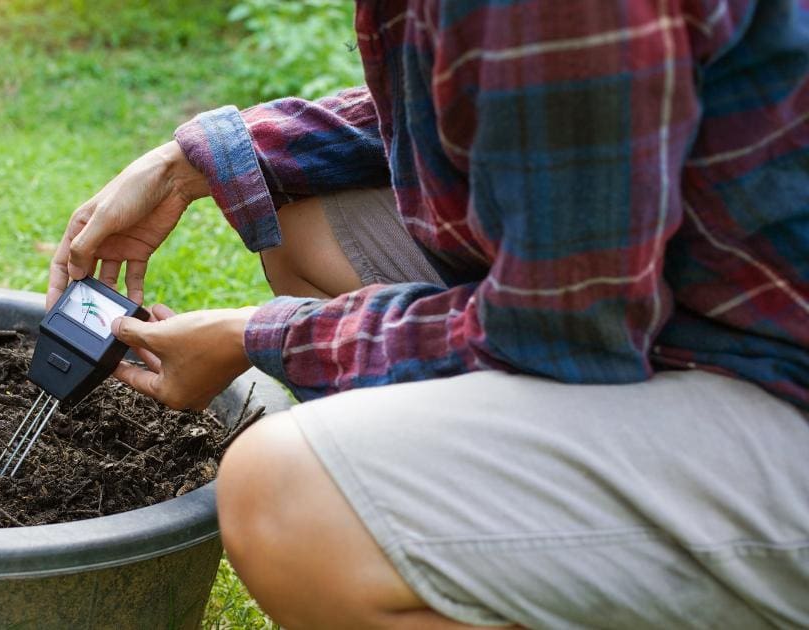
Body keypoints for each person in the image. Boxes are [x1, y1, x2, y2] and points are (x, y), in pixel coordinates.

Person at [47, 1, 809, 627]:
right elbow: (480, 105)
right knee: (308, 225)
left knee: (286, 499)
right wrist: (193, 163)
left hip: (774, 381)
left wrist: (257, 334)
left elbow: (567, 333)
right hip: (698, 309)